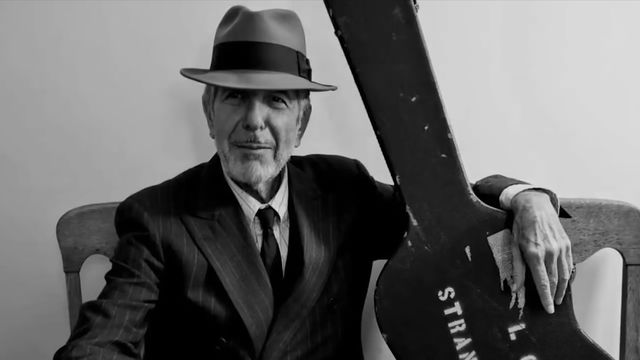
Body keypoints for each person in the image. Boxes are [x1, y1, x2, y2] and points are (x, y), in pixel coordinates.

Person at [55, 5, 572, 360]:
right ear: (209, 112)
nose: (253, 122)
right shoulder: (157, 216)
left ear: (301, 123)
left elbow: (447, 215)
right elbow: (102, 343)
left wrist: (524, 198)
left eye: (276, 100)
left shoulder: (343, 188)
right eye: (234, 98)